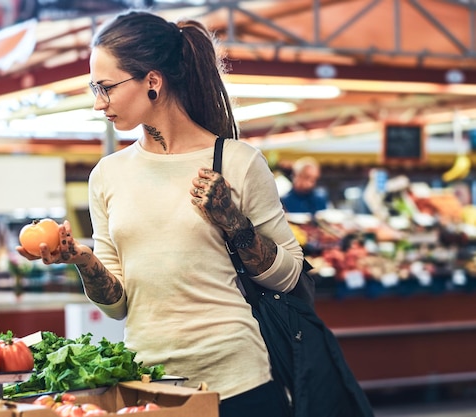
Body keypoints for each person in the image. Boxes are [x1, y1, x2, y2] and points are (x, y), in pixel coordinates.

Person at [17, 10, 303, 417]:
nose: (99, 103)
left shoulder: (236, 162)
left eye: (106, 87)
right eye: (93, 88)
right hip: (147, 384)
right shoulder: (107, 175)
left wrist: (234, 222)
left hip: (238, 383)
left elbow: (290, 274)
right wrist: (83, 261)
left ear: (152, 81)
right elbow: (118, 305)